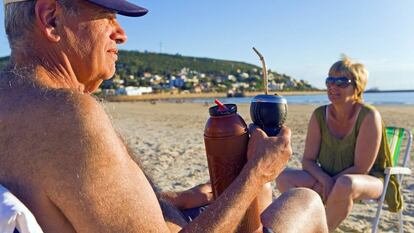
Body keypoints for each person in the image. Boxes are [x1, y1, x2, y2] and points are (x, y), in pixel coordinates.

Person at [0, 0, 329, 232]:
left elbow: (74, 200)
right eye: (107, 15)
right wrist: (259, 171)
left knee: (263, 195)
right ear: (51, 18)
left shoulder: (14, 101)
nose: (122, 34)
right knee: (304, 201)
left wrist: (175, 199)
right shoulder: (69, 116)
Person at [276, 55, 402, 232]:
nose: (333, 86)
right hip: (329, 177)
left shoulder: (368, 116)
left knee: (345, 184)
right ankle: (312, 218)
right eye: (330, 80)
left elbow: (361, 168)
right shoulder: (319, 115)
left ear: (357, 87)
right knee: (284, 177)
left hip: (369, 181)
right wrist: (325, 179)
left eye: (342, 81)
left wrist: (330, 182)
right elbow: (308, 161)